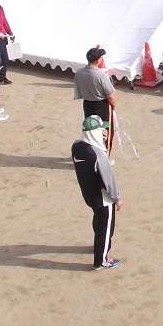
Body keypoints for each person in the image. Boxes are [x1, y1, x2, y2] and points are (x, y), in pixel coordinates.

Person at [71, 116, 122, 270]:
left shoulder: (76, 146)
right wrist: (117, 198)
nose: (104, 132)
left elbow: (92, 150)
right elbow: (108, 180)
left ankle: (98, 247)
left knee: (98, 221)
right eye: (101, 130)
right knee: (106, 228)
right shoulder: (98, 154)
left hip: (89, 194)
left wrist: (100, 140)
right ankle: (101, 260)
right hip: (103, 198)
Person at [74, 47, 116, 150]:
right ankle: (103, 155)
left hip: (87, 104)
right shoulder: (102, 76)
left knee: (90, 130)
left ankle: (90, 152)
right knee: (105, 132)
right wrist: (113, 105)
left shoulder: (79, 72)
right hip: (101, 106)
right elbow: (110, 96)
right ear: (98, 60)